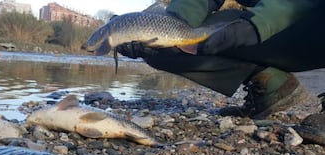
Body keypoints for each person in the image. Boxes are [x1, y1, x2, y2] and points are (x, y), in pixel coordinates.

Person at [117, 0, 325, 121]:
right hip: (274, 31)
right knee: (162, 45)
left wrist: (259, 24)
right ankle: (271, 83)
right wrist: (175, 22)